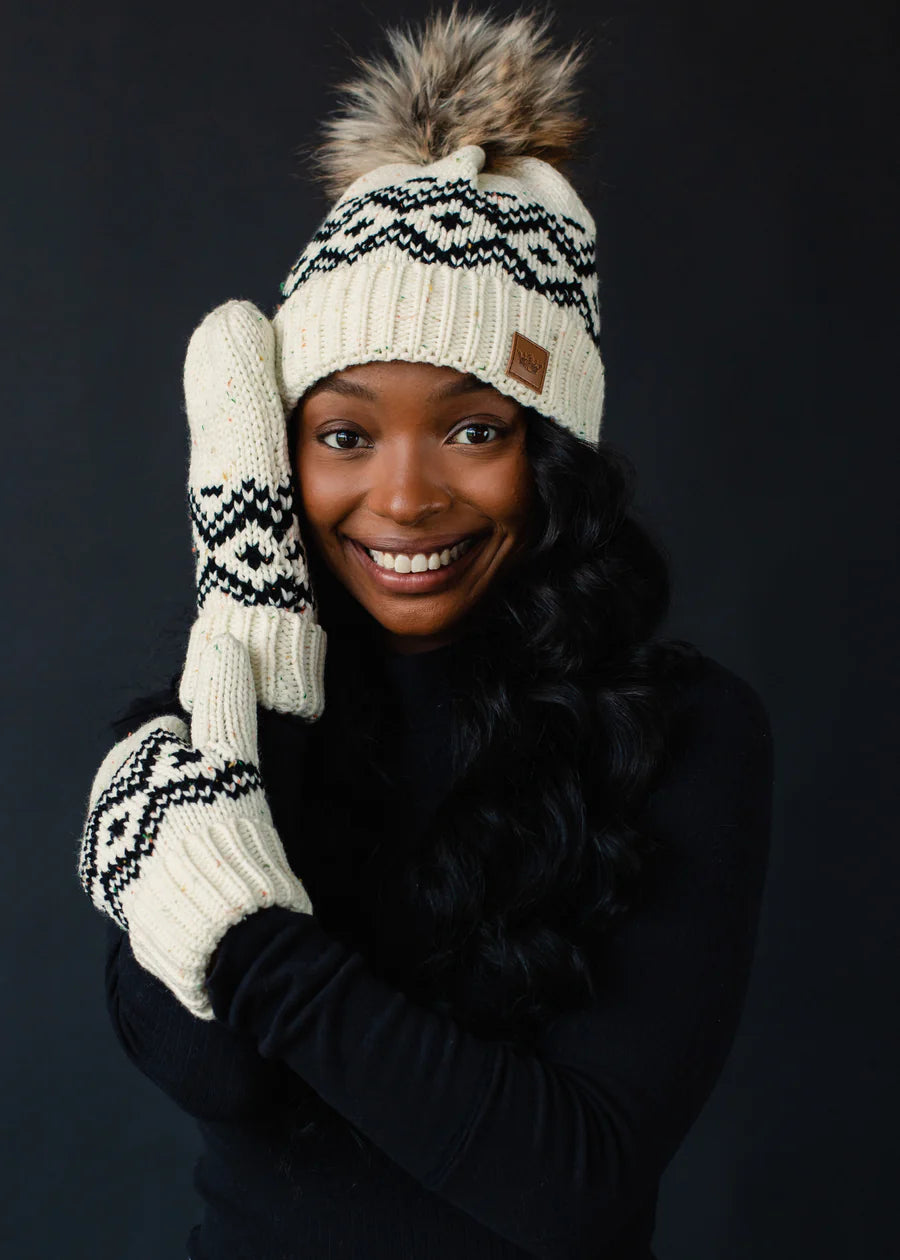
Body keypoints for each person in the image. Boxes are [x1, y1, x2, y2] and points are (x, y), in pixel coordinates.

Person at [77, 7, 775, 1259]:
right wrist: (255, 654)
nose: (403, 497)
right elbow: (225, 1083)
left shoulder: (681, 735)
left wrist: (238, 937)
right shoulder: (192, 741)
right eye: (343, 435)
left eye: (473, 429)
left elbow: (568, 1181)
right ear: (279, 458)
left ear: (550, 455)